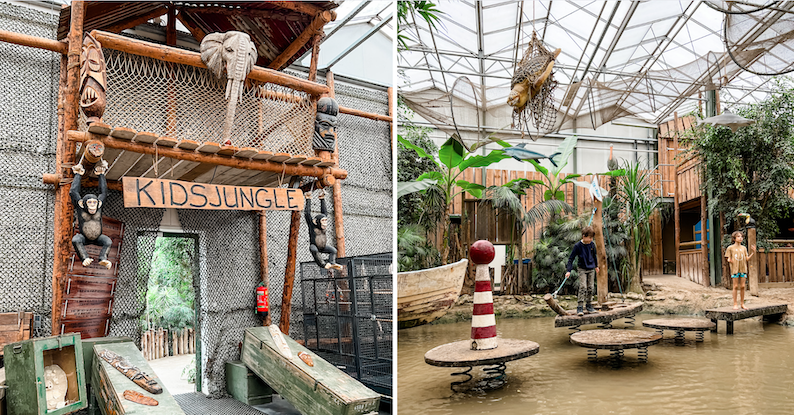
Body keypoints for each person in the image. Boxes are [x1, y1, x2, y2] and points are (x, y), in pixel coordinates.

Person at [565, 226, 600, 316]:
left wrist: (596, 266)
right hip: (582, 269)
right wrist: (569, 270)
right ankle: (580, 307)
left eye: (592, 238)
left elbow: (594, 256)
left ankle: (589, 305)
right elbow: (571, 258)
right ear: (584, 236)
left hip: (591, 269)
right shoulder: (578, 246)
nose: (591, 239)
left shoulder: (592, 244)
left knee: (591, 287)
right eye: (590, 238)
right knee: (583, 287)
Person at [725, 231, 756, 310]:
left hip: (743, 269)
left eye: (741, 236)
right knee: (735, 286)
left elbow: (747, 259)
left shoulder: (744, 248)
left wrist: (753, 252)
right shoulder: (730, 248)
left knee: (742, 286)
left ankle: (742, 304)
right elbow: (728, 257)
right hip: (735, 269)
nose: (740, 238)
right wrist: (729, 260)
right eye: (738, 236)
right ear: (734, 238)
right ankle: (735, 304)